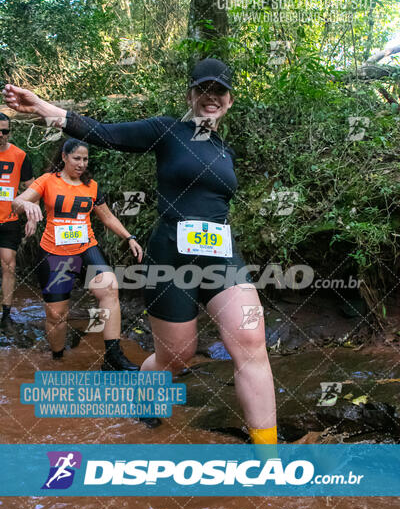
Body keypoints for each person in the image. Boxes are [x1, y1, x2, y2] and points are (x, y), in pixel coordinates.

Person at [3, 58, 277, 444]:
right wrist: (43, 107)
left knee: (251, 343)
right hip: (170, 258)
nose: (211, 97)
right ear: (191, 95)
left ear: (230, 100)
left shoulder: (225, 151)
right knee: (176, 357)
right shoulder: (167, 131)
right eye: (204, 89)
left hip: (221, 256)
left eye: (219, 91)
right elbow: (104, 134)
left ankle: (269, 459)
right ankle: (146, 403)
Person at [11, 138, 143, 371]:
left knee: (110, 288)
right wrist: (27, 205)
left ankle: (113, 357)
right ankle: (58, 358)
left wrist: (129, 237)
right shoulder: (47, 181)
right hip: (54, 253)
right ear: (64, 157)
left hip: (86, 248)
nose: (82, 164)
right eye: (77, 158)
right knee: (57, 315)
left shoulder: (91, 186)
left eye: (85, 159)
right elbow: (17, 202)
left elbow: (108, 217)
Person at [0, 112, 36, 327]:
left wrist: (31, 216)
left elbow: (32, 189)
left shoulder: (20, 156)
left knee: (9, 266)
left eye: (5, 131)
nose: (1, 135)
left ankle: (6, 315)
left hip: (9, 220)